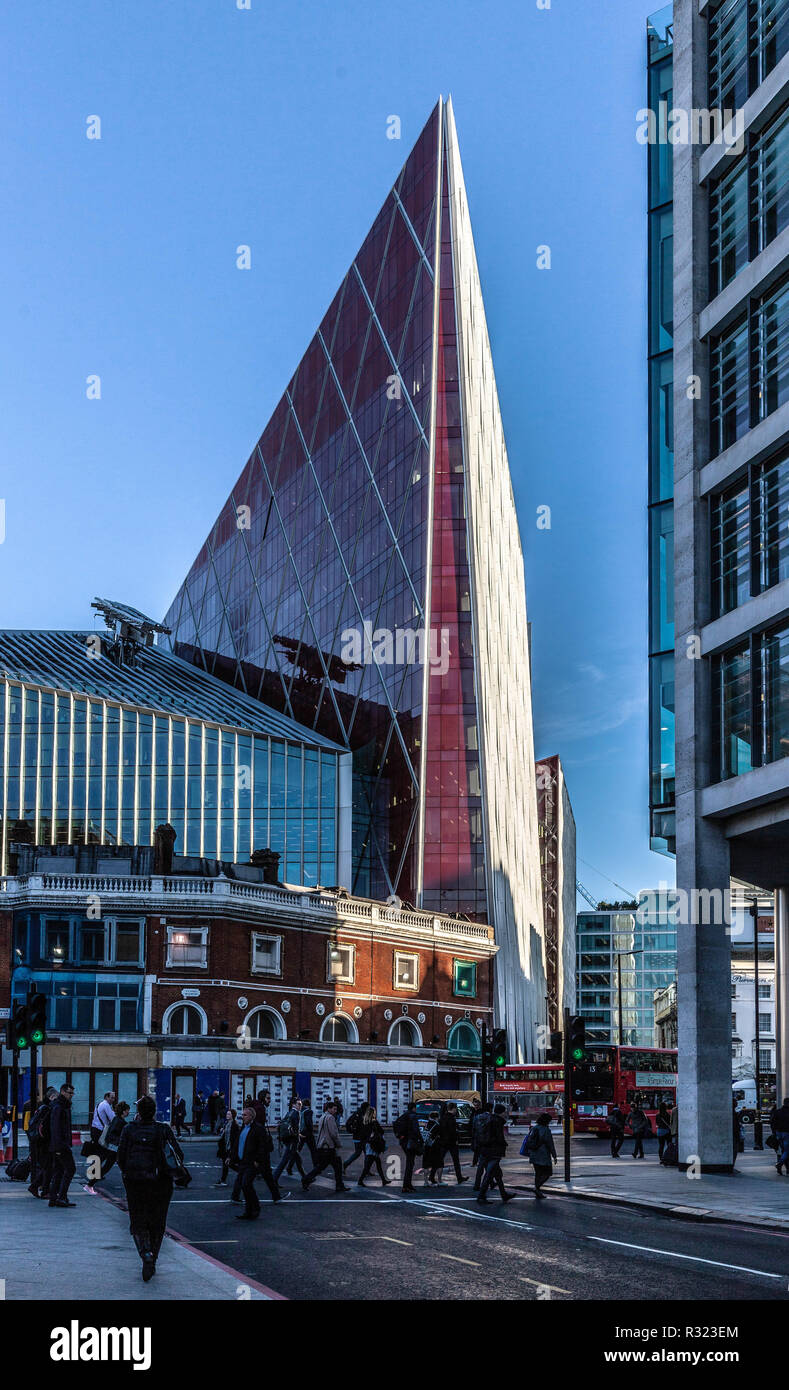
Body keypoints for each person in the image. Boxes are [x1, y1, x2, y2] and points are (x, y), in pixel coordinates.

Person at [117, 1096, 186, 1280]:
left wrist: (128, 1173)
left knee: (138, 1221)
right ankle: (153, 1257)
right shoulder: (163, 1129)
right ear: (154, 1111)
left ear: (138, 1112)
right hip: (161, 1183)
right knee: (157, 1221)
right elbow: (177, 1154)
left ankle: (145, 1252)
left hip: (135, 1181)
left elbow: (121, 1157)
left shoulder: (129, 1129)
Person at [230, 1105, 282, 1216]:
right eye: (242, 1115)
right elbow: (237, 1144)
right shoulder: (243, 1128)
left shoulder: (258, 1129)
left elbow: (262, 1147)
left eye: (245, 1115)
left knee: (246, 1184)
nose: (242, 1117)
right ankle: (249, 1210)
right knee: (244, 1185)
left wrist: (257, 1160)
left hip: (251, 1162)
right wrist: (231, 1157)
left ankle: (255, 1208)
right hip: (243, 1161)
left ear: (251, 1117)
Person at [302, 1101, 349, 1193]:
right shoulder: (330, 1118)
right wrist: (339, 1144)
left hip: (322, 1146)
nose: (335, 1111)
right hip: (328, 1147)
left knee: (324, 1166)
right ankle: (339, 1185)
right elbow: (333, 1134)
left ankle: (306, 1179)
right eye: (334, 1109)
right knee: (335, 1165)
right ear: (329, 1109)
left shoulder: (322, 1117)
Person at [476, 1103, 515, 1204]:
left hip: (485, 1149)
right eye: (505, 1112)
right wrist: (503, 1145)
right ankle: (481, 1196)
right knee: (489, 1174)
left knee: (497, 1174)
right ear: (502, 1112)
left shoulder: (487, 1119)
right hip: (494, 1151)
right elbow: (499, 1137)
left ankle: (504, 1194)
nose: (506, 1114)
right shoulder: (497, 1122)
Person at [48, 1083, 77, 1208]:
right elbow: (56, 1128)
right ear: (63, 1092)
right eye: (70, 1093)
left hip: (59, 1145)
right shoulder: (59, 1107)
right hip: (60, 1145)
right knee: (71, 1169)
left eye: (72, 1093)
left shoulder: (63, 1106)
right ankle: (62, 1197)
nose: (71, 1096)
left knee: (59, 1171)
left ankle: (54, 1198)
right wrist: (60, 1146)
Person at [27, 1087, 57, 1198]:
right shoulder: (47, 1108)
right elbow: (45, 1128)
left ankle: (36, 1187)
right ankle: (43, 1190)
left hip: (39, 1142)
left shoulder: (41, 1107)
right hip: (44, 1142)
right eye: (56, 1097)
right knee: (49, 1167)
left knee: (48, 1167)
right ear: (51, 1097)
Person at [524, 1110, 557, 1198]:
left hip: (534, 1153)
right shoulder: (546, 1130)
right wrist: (554, 1155)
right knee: (548, 1173)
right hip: (543, 1154)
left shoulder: (534, 1128)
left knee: (538, 1173)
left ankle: (538, 1191)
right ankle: (537, 1187)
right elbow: (550, 1144)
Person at [273, 1098, 306, 1181]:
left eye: (301, 1104)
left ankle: (305, 1178)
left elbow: (290, 1126)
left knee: (298, 1160)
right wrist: (297, 1135)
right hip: (293, 1140)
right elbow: (296, 1128)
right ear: (293, 1104)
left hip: (288, 1139)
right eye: (298, 1104)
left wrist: (298, 1134)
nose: (300, 1106)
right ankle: (274, 1179)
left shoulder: (289, 1112)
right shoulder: (296, 1113)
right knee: (284, 1161)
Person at [357, 1107, 389, 1187]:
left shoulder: (364, 1122)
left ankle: (383, 1180)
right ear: (373, 1113)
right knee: (369, 1165)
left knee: (377, 1163)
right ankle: (360, 1180)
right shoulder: (374, 1122)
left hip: (368, 1144)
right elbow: (381, 1131)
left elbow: (362, 1135)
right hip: (374, 1144)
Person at [438, 1102, 467, 1185]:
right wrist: (456, 1139)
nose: (456, 1110)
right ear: (453, 1109)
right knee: (456, 1161)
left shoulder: (443, 1117)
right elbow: (452, 1131)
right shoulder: (451, 1118)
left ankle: (432, 1176)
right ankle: (459, 1177)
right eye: (456, 1109)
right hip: (451, 1142)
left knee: (439, 1160)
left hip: (443, 1141)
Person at [397, 1102, 423, 1194]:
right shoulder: (413, 1116)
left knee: (410, 1163)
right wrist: (420, 1139)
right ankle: (406, 1185)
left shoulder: (403, 1116)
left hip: (404, 1143)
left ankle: (407, 1185)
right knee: (410, 1164)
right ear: (414, 1108)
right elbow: (416, 1130)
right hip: (410, 1142)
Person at [342, 1101, 370, 1175]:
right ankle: (366, 1170)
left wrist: (351, 1131)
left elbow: (348, 1123)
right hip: (363, 1138)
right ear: (366, 1108)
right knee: (366, 1154)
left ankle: (346, 1164)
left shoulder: (356, 1113)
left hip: (357, 1137)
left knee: (358, 1153)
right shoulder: (363, 1115)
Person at [214, 1108, 239, 1187]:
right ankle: (223, 1180)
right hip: (225, 1147)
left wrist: (233, 1149)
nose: (227, 1115)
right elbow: (223, 1135)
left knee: (229, 1164)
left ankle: (242, 1172)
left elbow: (235, 1138)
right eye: (227, 1114)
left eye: (229, 1114)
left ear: (233, 1116)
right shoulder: (226, 1123)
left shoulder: (234, 1125)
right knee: (226, 1164)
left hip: (230, 1147)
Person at [471, 1103, 493, 1190]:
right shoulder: (491, 1118)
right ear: (490, 1109)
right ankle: (489, 1183)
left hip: (479, 1143)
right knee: (490, 1164)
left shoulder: (477, 1117)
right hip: (488, 1144)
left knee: (482, 1165)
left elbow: (473, 1130)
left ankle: (478, 1184)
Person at [423, 1111, 444, 1186]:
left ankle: (425, 1182)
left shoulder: (426, 1124)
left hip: (426, 1146)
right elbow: (441, 1135)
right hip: (435, 1147)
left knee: (426, 1165)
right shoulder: (437, 1125)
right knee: (439, 1164)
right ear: (436, 1117)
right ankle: (440, 1181)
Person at [298, 1098, 318, 1167]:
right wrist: (311, 1130)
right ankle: (316, 1165)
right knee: (313, 1150)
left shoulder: (301, 1111)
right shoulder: (309, 1111)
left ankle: (290, 1166)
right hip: (308, 1134)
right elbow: (308, 1122)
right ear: (309, 1104)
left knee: (298, 1150)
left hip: (301, 1132)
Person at [773, 1096, 789, 1175]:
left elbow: (773, 1123)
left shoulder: (777, 1112)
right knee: (787, 1151)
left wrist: (775, 1132)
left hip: (779, 1133)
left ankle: (783, 1166)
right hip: (787, 1133)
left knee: (783, 1150)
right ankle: (780, 1163)